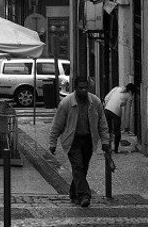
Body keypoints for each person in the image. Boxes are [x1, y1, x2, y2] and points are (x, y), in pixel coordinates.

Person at [48, 75, 110, 208]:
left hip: (88, 139)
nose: (83, 90)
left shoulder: (95, 102)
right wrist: (52, 143)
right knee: (78, 166)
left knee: (83, 169)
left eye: (85, 88)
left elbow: (102, 123)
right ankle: (84, 195)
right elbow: (57, 124)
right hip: (72, 140)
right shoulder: (66, 103)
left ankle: (73, 192)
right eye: (80, 88)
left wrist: (105, 141)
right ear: (75, 88)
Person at [103, 83, 136, 153]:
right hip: (116, 112)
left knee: (108, 130)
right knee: (117, 131)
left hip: (107, 110)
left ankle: (108, 147)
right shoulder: (129, 95)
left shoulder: (116, 88)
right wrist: (126, 124)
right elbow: (128, 109)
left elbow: (106, 98)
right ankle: (116, 149)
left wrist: (107, 106)